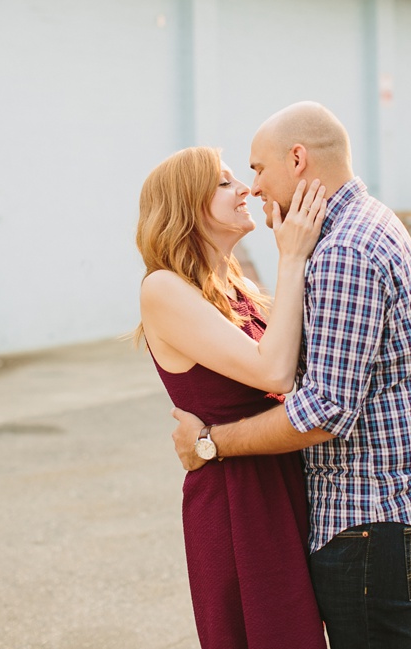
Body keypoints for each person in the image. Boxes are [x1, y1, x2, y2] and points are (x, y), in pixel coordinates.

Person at [171, 102, 411, 649]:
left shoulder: (345, 249)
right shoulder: (358, 226)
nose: (254, 187)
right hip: (375, 514)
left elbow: (323, 410)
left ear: (297, 159)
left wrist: (210, 444)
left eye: (257, 169)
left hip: (369, 517)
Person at [136, 146, 328, 649]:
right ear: (185, 205)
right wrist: (292, 255)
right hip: (236, 501)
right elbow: (276, 371)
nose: (245, 189)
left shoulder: (233, 282)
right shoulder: (163, 287)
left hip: (278, 477)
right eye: (224, 183)